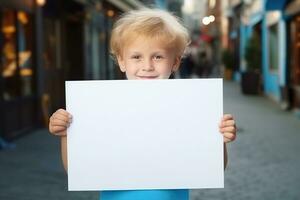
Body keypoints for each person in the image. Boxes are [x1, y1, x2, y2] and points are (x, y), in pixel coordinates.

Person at [49, 8, 237, 200]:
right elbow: (75, 169)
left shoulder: (188, 108)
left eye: (158, 56)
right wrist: (67, 134)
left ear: (175, 62)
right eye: (136, 57)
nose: (147, 66)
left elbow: (214, 167)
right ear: (122, 61)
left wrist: (218, 139)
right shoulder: (104, 108)